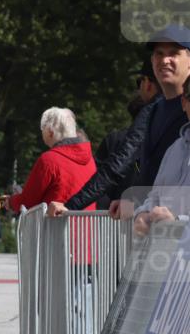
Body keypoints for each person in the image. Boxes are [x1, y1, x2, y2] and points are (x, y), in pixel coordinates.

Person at [48, 25, 190, 219]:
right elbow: (120, 163)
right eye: (159, 53)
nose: (165, 60)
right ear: (152, 60)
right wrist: (71, 205)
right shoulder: (151, 111)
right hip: (153, 225)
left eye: (173, 53)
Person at [6, 107, 97, 214]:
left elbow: (27, 202)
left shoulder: (49, 160)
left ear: (50, 132)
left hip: (57, 223)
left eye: (42, 129)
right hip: (88, 223)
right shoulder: (90, 160)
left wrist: (11, 201)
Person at [134, 75, 190, 235]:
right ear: (184, 103)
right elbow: (155, 197)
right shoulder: (174, 149)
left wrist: (177, 222)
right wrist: (142, 214)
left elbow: (173, 221)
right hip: (167, 248)